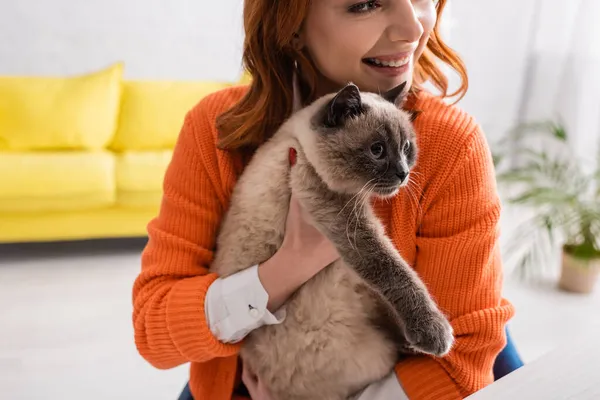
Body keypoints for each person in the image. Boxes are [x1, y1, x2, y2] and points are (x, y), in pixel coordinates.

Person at [132, 0, 516, 399]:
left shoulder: (451, 144)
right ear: (291, 23)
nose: (413, 28)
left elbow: (461, 363)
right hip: (245, 379)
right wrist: (286, 267)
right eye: (365, 4)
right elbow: (154, 331)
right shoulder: (216, 129)